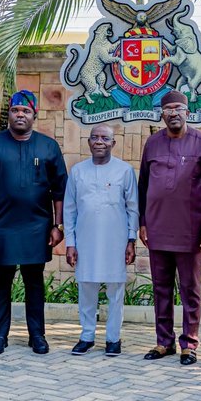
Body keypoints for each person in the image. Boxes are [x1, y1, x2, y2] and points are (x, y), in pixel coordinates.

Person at [0, 90, 68, 355]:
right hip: (1, 227)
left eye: (25, 111)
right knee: (1, 282)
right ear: (9, 114)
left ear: (34, 115)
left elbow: (60, 191)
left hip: (37, 227)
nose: (20, 115)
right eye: (15, 110)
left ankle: (37, 335)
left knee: (34, 282)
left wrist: (58, 226)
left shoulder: (48, 147)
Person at [138, 89, 201, 365]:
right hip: (158, 228)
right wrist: (143, 222)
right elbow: (143, 186)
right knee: (161, 288)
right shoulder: (152, 144)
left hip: (191, 231)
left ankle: (190, 344)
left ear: (187, 112)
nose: (173, 113)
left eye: (178, 108)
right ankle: (164, 342)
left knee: (190, 289)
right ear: (162, 114)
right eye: (168, 108)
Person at [64, 124, 138, 357]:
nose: (99, 141)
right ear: (88, 142)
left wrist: (131, 240)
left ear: (113, 143)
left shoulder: (125, 171)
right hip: (85, 240)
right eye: (94, 137)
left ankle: (113, 338)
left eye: (105, 138)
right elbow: (70, 209)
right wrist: (70, 242)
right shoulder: (77, 171)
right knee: (86, 287)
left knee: (116, 289)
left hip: (115, 240)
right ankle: (87, 336)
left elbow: (133, 208)